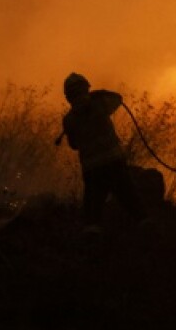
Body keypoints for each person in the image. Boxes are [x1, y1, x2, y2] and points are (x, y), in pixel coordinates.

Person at [60, 72, 148, 236]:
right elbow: (118, 98)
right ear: (86, 89)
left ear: (68, 97)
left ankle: (93, 245)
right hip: (114, 163)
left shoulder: (69, 120)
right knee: (131, 199)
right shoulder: (100, 104)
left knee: (93, 211)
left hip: (92, 170)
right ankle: (148, 234)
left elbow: (73, 145)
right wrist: (98, 93)